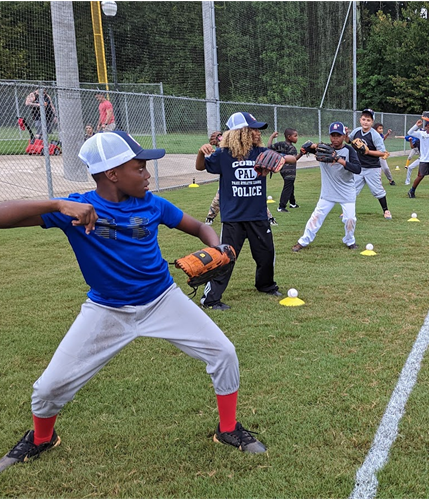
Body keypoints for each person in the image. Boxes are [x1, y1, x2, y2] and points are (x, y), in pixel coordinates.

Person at [0, 131, 266, 473]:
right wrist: (57, 204)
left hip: (162, 299)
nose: (147, 175)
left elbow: (200, 227)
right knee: (49, 387)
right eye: (139, 168)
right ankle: (41, 438)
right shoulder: (80, 209)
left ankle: (228, 429)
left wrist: (216, 248)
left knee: (224, 352)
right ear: (112, 174)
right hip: (106, 309)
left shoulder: (151, 204)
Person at [195, 112, 283, 310]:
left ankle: (266, 285)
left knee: (266, 253)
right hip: (233, 218)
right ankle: (210, 298)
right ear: (240, 133)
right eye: (252, 129)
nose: (257, 133)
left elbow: (285, 159)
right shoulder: (223, 155)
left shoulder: (260, 153)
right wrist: (201, 152)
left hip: (258, 215)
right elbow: (201, 167)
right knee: (225, 258)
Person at [292, 122, 362, 252]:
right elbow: (307, 148)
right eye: (333, 135)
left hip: (347, 192)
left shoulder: (349, 150)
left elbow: (357, 169)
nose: (335, 138)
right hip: (328, 193)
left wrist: (339, 159)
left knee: (350, 219)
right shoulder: (323, 148)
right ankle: (303, 241)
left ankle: (349, 240)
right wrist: (308, 147)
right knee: (316, 217)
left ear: (343, 136)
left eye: (338, 135)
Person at [205, 130, 278, 226]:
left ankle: (269, 218)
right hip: (230, 182)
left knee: (255, 198)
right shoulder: (223, 148)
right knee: (218, 200)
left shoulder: (249, 148)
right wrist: (215, 143)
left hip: (248, 180)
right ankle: (210, 217)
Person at [348, 109, 392, 220]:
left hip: (372, 167)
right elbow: (349, 141)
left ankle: (386, 210)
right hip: (359, 167)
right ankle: (348, 212)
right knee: (352, 190)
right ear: (360, 120)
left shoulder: (375, 135)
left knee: (377, 190)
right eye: (363, 119)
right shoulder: (357, 131)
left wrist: (368, 152)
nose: (365, 122)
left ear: (372, 122)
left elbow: (382, 152)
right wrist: (345, 134)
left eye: (368, 120)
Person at [407, 111, 429, 201]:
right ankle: (412, 191)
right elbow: (409, 132)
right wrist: (416, 125)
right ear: (427, 126)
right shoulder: (421, 133)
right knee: (420, 176)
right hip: (423, 159)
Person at [269, 128, 304, 213]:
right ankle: (281, 207)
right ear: (289, 137)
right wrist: (301, 153)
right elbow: (293, 159)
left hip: (282, 170)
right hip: (290, 170)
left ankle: (293, 203)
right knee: (288, 187)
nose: (297, 138)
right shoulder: (292, 148)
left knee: (290, 185)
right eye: (295, 136)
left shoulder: (280, 144)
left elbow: (269, 147)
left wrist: (272, 137)